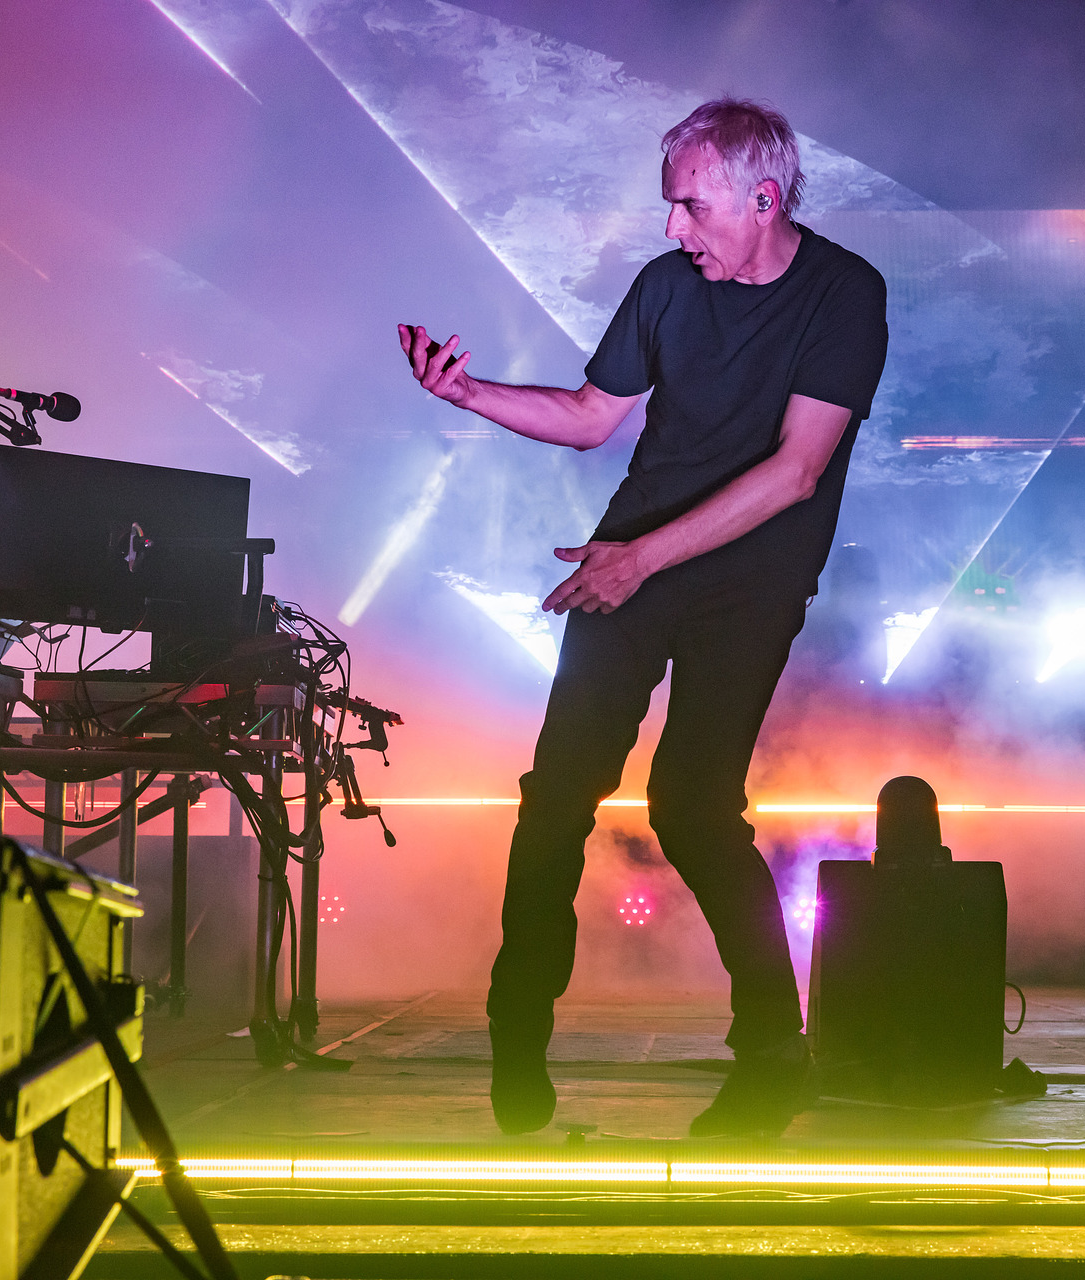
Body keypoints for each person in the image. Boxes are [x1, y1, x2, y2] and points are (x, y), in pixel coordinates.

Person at [398, 99, 889, 1136]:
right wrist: (466, 393)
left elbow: (796, 472)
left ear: (763, 200)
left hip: (747, 575)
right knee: (556, 795)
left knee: (693, 808)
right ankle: (516, 1031)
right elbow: (591, 418)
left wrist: (639, 560)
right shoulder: (666, 286)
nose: (672, 227)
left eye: (690, 206)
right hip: (633, 557)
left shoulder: (844, 292)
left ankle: (773, 1049)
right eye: (670, 206)